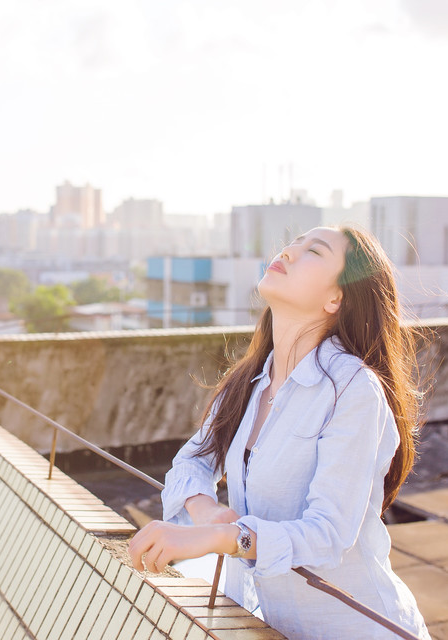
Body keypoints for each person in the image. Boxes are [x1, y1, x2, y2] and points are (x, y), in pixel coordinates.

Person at [128, 226, 430, 639]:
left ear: (336, 298)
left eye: (314, 251)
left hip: (351, 626)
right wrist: (208, 512)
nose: (288, 251)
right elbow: (193, 460)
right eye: (294, 242)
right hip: (262, 621)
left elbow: (327, 534)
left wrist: (222, 537)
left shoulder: (353, 388)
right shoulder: (252, 378)